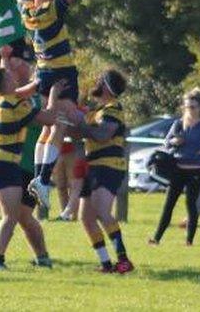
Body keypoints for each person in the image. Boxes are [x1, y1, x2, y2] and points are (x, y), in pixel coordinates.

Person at [0, 52, 63, 271]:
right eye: (10, 73)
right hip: (6, 163)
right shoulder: (17, 105)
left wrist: (37, 83)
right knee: (11, 216)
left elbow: (17, 91)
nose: (15, 72)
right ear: (5, 82)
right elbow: (49, 118)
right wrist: (54, 93)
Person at [16, 0, 82, 208]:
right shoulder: (52, 9)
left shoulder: (28, 11)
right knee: (61, 124)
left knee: (47, 127)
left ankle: (38, 177)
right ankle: (43, 179)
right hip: (61, 72)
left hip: (42, 74)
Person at [149, 88, 200, 247]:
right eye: (187, 107)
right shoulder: (179, 123)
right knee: (169, 203)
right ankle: (156, 238)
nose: (189, 110)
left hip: (195, 169)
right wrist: (174, 142)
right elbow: (166, 142)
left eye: (192, 106)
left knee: (190, 205)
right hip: (178, 168)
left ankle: (189, 241)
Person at [71, 70, 133, 274]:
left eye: (99, 80)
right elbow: (82, 131)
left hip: (108, 165)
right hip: (94, 166)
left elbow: (103, 135)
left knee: (101, 211)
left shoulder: (113, 108)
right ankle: (106, 263)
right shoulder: (96, 111)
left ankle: (123, 260)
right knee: (86, 218)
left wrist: (81, 126)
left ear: (106, 86)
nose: (95, 83)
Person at [52, 138, 86, 221]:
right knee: (60, 186)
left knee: (73, 185)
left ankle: (74, 216)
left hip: (73, 151)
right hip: (56, 152)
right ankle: (65, 215)